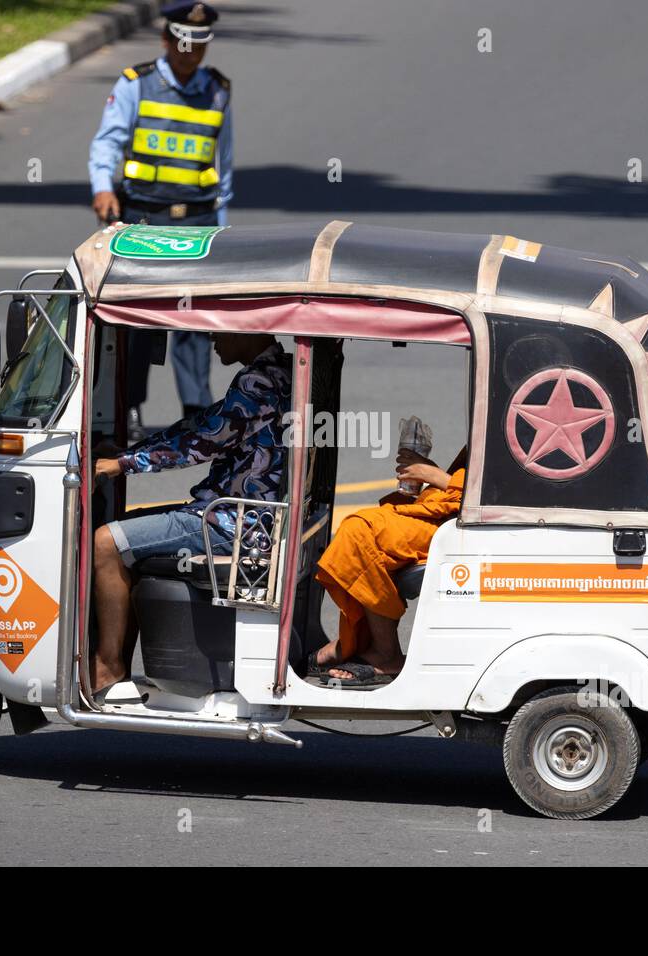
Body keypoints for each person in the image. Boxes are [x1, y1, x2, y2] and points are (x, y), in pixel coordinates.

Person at [91, 333, 290, 699]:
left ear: (246, 330)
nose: (212, 338)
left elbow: (203, 443)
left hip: (231, 523)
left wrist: (124, 464)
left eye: (220, 328)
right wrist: (132, 451)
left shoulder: (257, 383)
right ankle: (116, 665)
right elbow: (203, 423)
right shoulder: (277, 372)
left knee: (106, 542)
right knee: (131, 536)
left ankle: (108, 668)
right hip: (244, 517)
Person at [88, 1, 231, 441]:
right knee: (135, 319)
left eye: (199, 45)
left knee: (195, 318)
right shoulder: (136, 83)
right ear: (167, 39)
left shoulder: (219, 90)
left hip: (198, 219)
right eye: (184, 43)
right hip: (143, 218)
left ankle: (196, 410)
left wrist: (222, 224)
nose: (191, 53)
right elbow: (108, 141)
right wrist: (103, 188)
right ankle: (127, 409)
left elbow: (223, 163)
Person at [310, 446, 468, 688]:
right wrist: (431, 472)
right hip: (450, 511)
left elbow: (497, 495)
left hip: (466, 523)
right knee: (363, 532)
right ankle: (355, 641)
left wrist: (436, 477)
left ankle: (386, 653)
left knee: (361, 533)